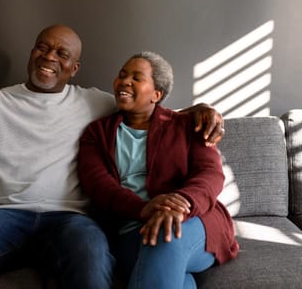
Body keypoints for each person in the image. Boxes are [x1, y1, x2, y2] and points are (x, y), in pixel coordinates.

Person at [0, 23, 225, 289]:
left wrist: (200, 111)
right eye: (42, 47)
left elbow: (152, 110)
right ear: (32, 52)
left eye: (61, 53)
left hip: (69, 220)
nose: (49, 57)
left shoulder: (95, 103)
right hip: (1, 216)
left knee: (94, 261)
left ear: (74, 67)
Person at [77, 51, 238, 289]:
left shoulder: (188, 126)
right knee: (180, 282)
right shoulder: (97, 133)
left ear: (156, 94)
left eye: (136, 77)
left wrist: (180, 204)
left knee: (167, 234)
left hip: (193, 223)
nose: (125, 81)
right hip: (131, 231)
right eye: (122, 75)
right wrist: (143, 209)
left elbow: (210, 174)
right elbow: (98, 185)